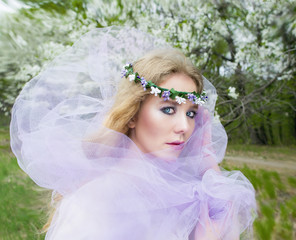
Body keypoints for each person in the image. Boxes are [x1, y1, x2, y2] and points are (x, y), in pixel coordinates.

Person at [10, 26, 256, 240]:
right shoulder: (94, 203)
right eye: (168, 109)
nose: (184, 127)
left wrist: (208, 160)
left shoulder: (186, 193)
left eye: (191, 113)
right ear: (133, 115)